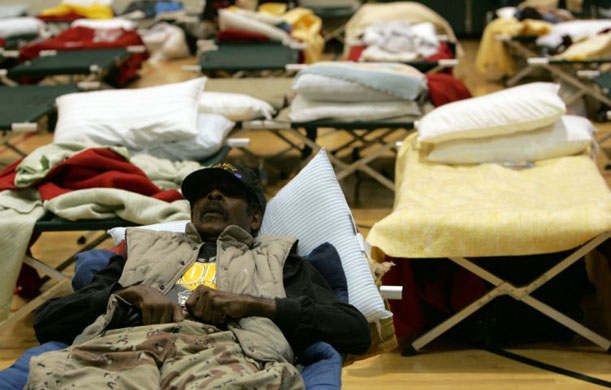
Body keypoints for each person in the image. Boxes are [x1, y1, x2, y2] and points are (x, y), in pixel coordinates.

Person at [28, 162, 370, 390]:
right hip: (119, 350)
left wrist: (252, 304)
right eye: (204, 192)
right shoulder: (142, 248)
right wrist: (127, 294)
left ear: (254, 218)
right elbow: (47, 323)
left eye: (228, 191)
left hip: (225, 356)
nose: (213, 195)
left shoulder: (278, 259)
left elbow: (353, 329)